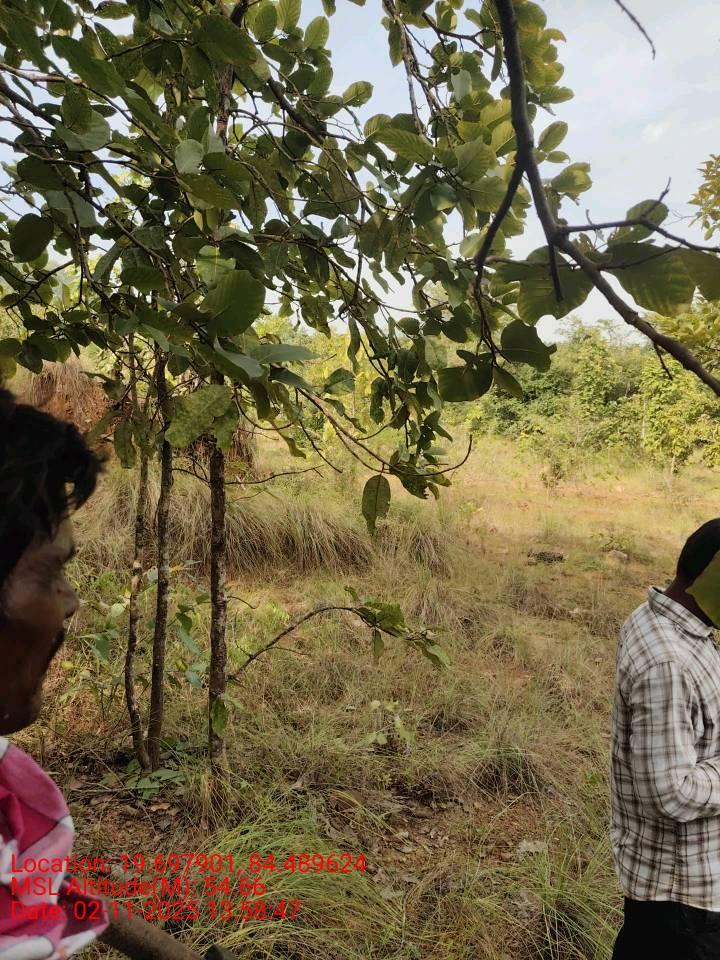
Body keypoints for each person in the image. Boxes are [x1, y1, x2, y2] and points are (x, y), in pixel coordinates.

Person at [611, 519, 720, 960]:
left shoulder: (668, 621)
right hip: (685, 901)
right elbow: (671, 793)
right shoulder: (667, 664)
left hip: (679, 897)